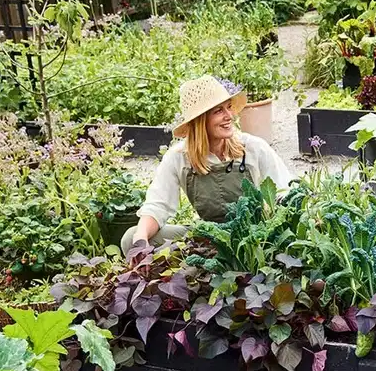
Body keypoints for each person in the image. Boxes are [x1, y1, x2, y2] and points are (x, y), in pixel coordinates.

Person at [121, 75, 291, 253]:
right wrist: (140, 240)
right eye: (218, 111)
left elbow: (286, 192)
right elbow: (158, 205)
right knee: (131, 239)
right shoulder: (179, 157)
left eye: (229, 107)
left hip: (254, 239)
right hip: (209, 237)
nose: (230, 116)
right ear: (200, 121)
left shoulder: (253, 148)